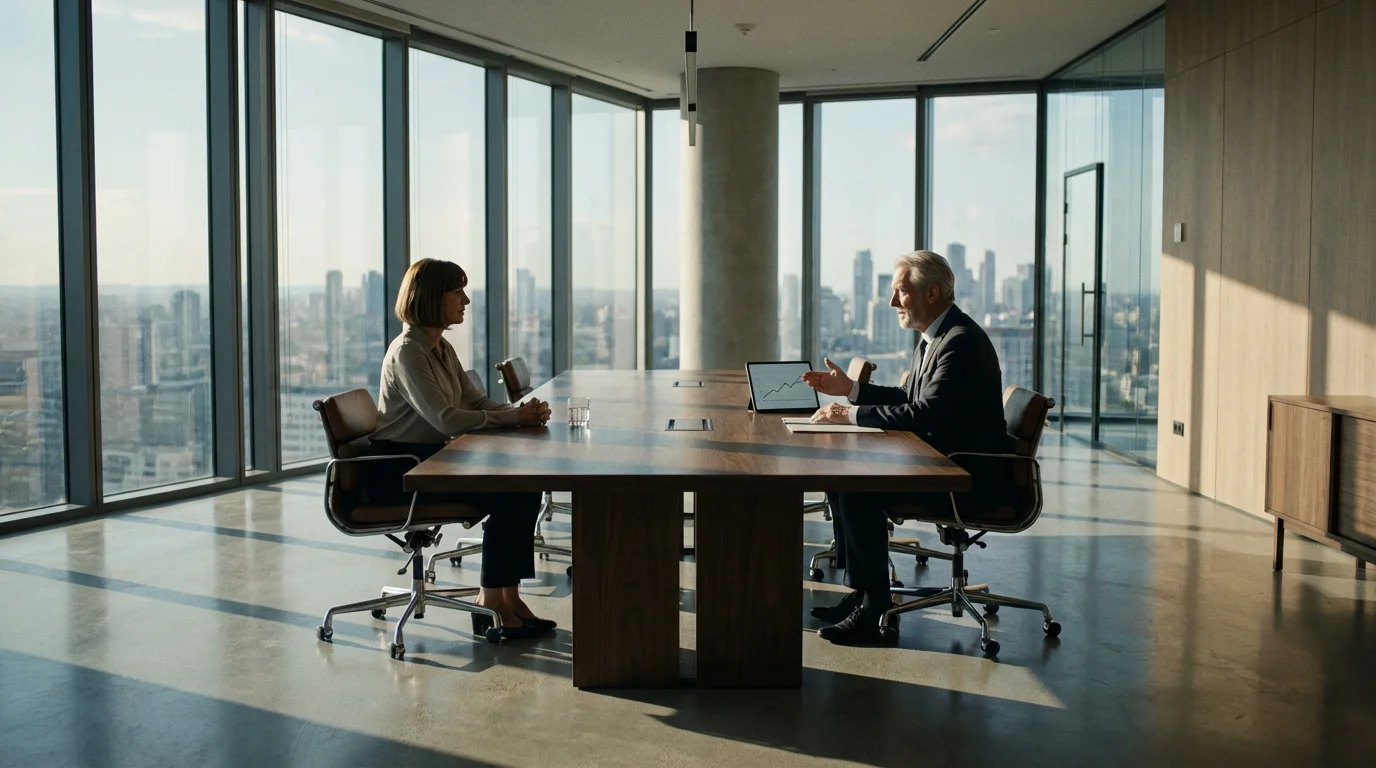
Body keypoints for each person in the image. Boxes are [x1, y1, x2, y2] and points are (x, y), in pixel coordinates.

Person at [801, 250, 1009, 645]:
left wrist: (847, 416)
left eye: (900, 291)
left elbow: (924, 413)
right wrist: (850, 390)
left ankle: (877, 610)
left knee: (857, 489)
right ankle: (862, 595)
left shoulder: (960, 342)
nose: (892, 302)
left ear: (931, 292)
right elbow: (908, 395)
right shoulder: (938, 336)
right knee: (843, 479)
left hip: (964, 475)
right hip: (939, 460)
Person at [367, 258, 555, 641]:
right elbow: (447, 420)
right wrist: (512, 421)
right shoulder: (408, 352)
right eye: (457, 292)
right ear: (433, 297)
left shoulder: (440, 348)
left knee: (522, 484)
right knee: (510, 491)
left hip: (432, 461)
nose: (466, 300)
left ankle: (508, 596)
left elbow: (477, 402)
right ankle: (493, 600)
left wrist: (521, 412)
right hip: (403, 472)